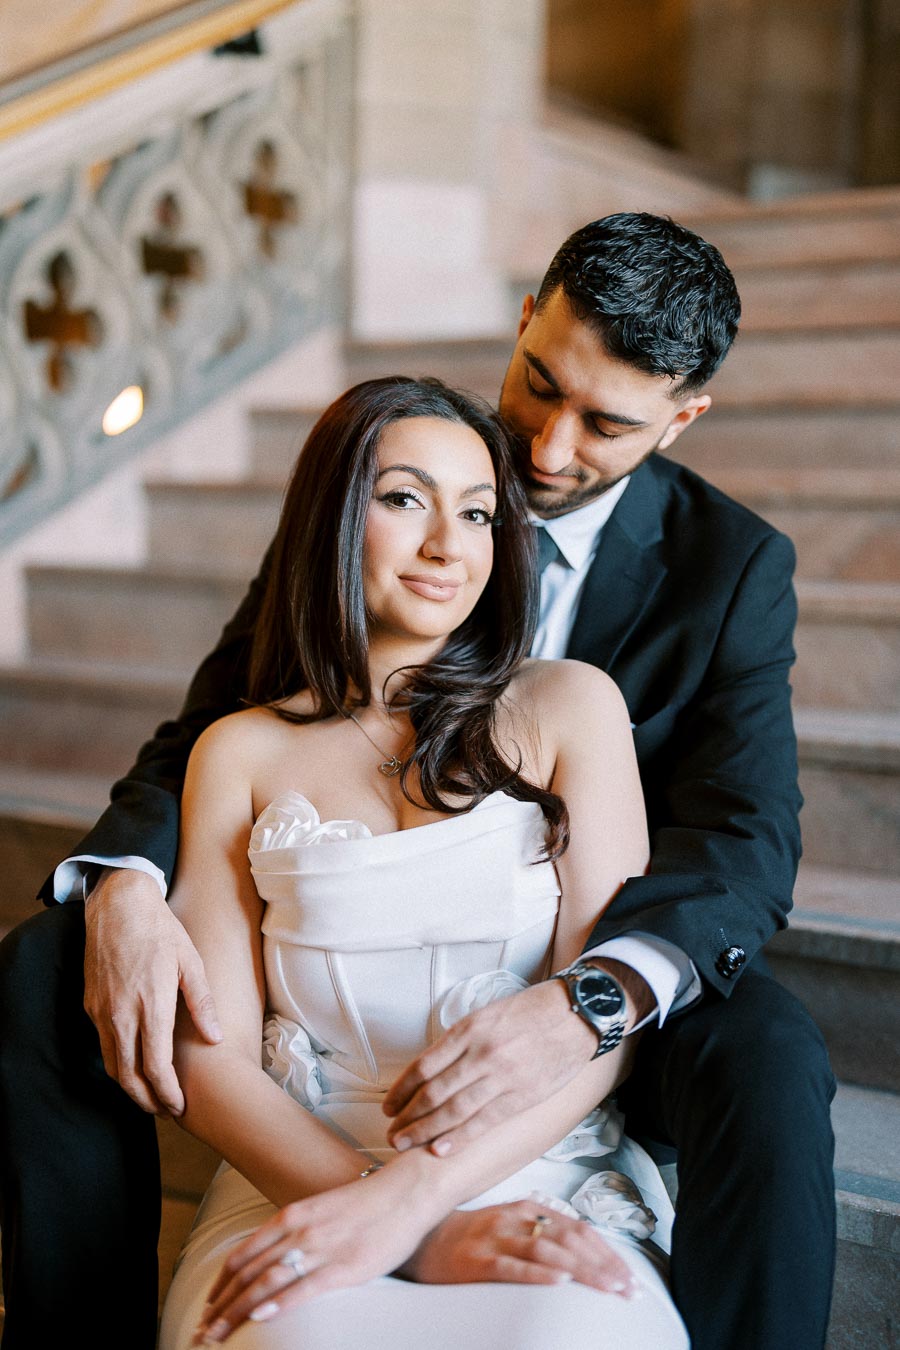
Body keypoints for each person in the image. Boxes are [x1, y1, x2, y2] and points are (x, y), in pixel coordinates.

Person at [0, 213, 836, 1350]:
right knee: (53, 961)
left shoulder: (728, 570)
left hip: (589, 942)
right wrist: (126, 888)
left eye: (604, 423)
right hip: (332, 976)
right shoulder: (391, 474)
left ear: (682, 418)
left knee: (774, 1052)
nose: (544, 447)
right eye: (538, 383)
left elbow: (746, 836)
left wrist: (594, 996)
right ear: (523, 317)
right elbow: (212, 728)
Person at [155, 373, 688, 1348]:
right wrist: (392, 1219)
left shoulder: (570, 708)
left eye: (479, 512)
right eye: (406, 499)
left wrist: (423, 1202)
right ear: (331, 514)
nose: (451, 544)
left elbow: (603, 1023)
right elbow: (208, 1053)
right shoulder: (238, 752)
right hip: (304, 1173)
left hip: (537, 1169)